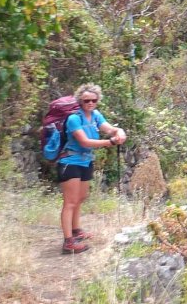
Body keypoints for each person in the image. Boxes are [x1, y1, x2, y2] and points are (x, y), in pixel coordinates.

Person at [58, 83, 126, 254]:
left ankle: (76, 231)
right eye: (86, 100)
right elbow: (84, 142)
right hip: (70, 161)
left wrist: (119, 131)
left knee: (80, 198)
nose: (90, 103)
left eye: (93, 100)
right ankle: (68, 242)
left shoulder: (95, 115)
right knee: (70, 202)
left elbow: (109, 128)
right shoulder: (74, 118)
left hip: (86, 161)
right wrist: (109, 142)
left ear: (97, 100)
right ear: (80, 101)